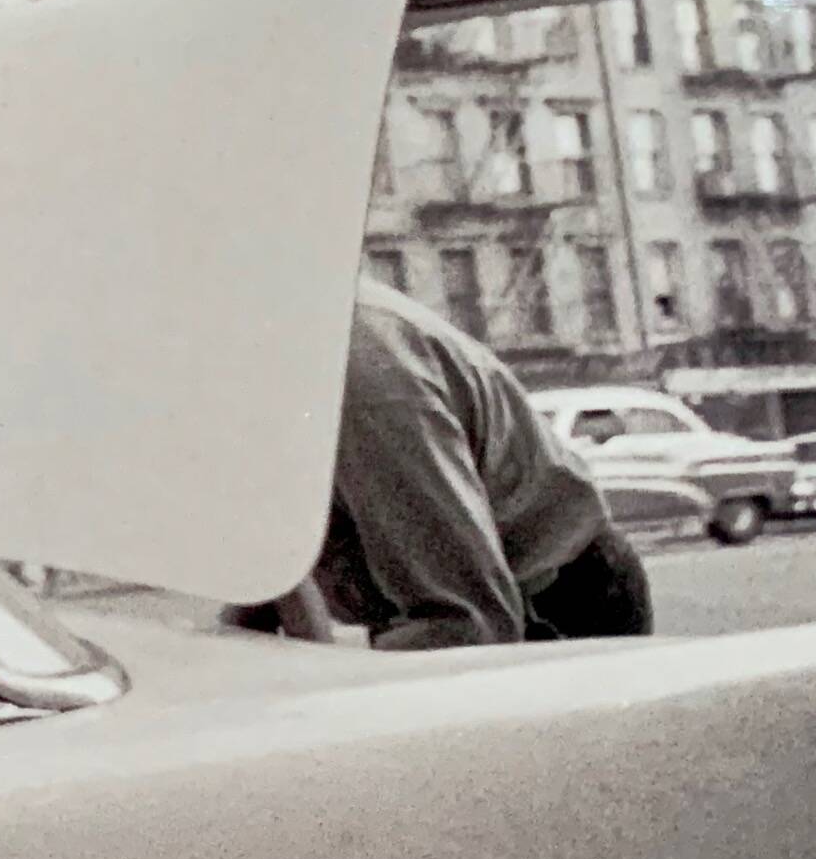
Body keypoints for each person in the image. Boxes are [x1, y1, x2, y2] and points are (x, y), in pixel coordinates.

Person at [238, 272, 650, 649]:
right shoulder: (262, 348)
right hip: (462, 601)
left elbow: (467, 622)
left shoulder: (352, 372)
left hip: (560, 604)